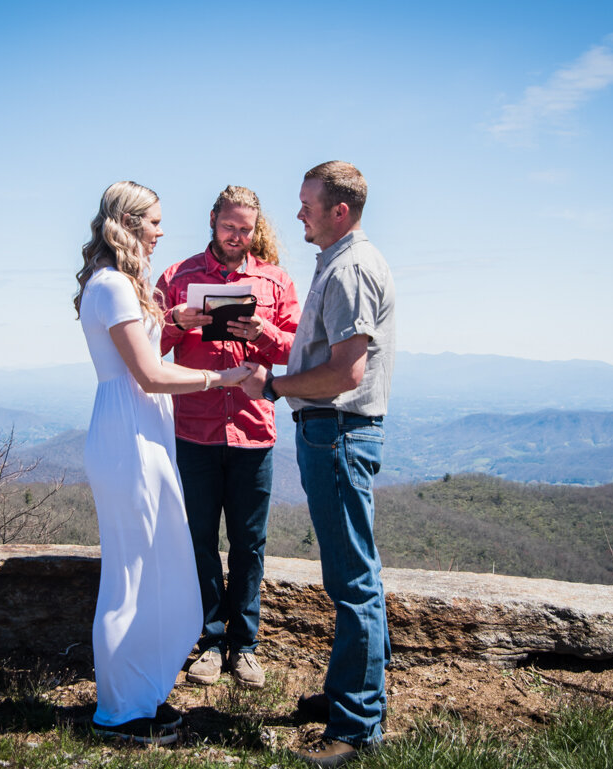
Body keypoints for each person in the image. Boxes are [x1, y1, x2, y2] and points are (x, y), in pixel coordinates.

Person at [73, 181, 250, 745]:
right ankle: (119, 712)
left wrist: (175, 322)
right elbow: (148, 375)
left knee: (149, 565)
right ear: (127, 222)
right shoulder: (112, 287)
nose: (161, 229)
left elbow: (142, 360)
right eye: (153, 220)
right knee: (130, 573)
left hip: (138, 425)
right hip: (129, 428)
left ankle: (142, 693)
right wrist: (222, 378)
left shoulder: (120, 284)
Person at [241, 161, 395, 767]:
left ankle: (354, 730)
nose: (298, 213)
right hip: (334, 433)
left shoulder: (351, 268)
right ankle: (351, 698)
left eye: (307, 203)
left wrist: (275, 387)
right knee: (356, 573)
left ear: (340, 210)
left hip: (336, 433)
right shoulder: (339, 262)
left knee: (353, 581)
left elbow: (345, 373)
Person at [155, 186, 300, 689]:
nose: (238, 237)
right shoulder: (177, 277)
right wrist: (177, 321)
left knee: (249, 543)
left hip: (253, 431)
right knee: (198, 541)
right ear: (213, 220)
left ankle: (245, 646)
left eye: (246, 229)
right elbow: (146, 342)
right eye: (229, 227)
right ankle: (210, 643)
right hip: (192, 428)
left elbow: (296, 349)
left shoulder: (275, 279)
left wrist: (260, 330)